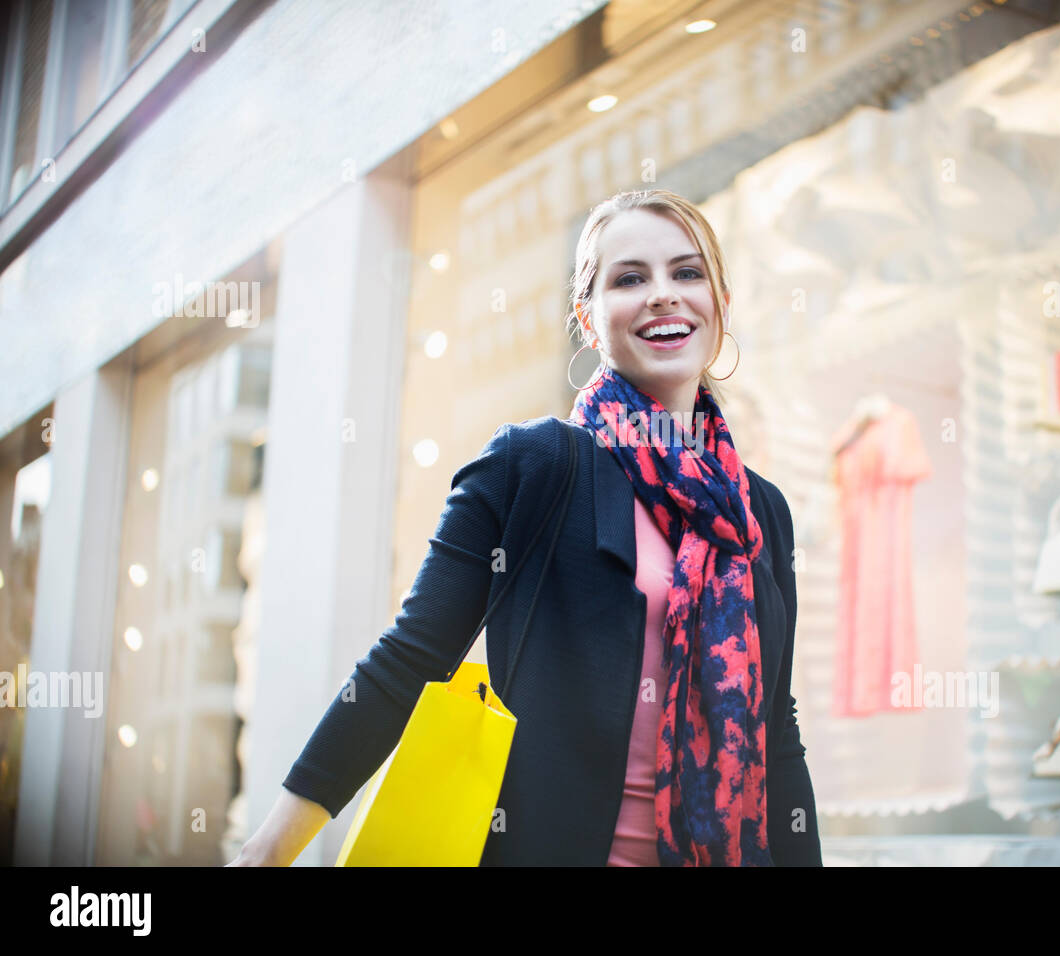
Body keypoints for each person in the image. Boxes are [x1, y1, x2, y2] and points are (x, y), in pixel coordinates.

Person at [228, 188, 821, 866]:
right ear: (589, 320)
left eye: (687, 273)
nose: (663, 294)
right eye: (630, 278)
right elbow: (409, 661)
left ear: (718, 303)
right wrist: (268, 852)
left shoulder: (759, 511)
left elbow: (777, 730)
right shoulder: (534, 465)